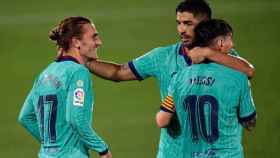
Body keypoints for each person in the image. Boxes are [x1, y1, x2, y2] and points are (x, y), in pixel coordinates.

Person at [86, 0, 255, 157]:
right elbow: (118, 73)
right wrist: (84, 61)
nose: (181, 29)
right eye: (179, 23)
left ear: (205, 25)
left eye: (188, 24)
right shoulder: (163, 57)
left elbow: (247, 70)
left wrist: (207, 52)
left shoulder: (224, 57)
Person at [156, 19, 256, 158]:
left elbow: (162, 120)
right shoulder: (238, 78)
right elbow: (249, 123)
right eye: (230, 39)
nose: (232, 44)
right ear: (221, 43)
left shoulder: (179, 78)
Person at [18, 16, 112, 158]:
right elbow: (76, 118)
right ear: (76, 42)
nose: (99, 42)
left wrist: (53, 145)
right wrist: (102, 149)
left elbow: (25, 117)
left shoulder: (45, 74)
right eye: (94, 37)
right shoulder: (78, 72)